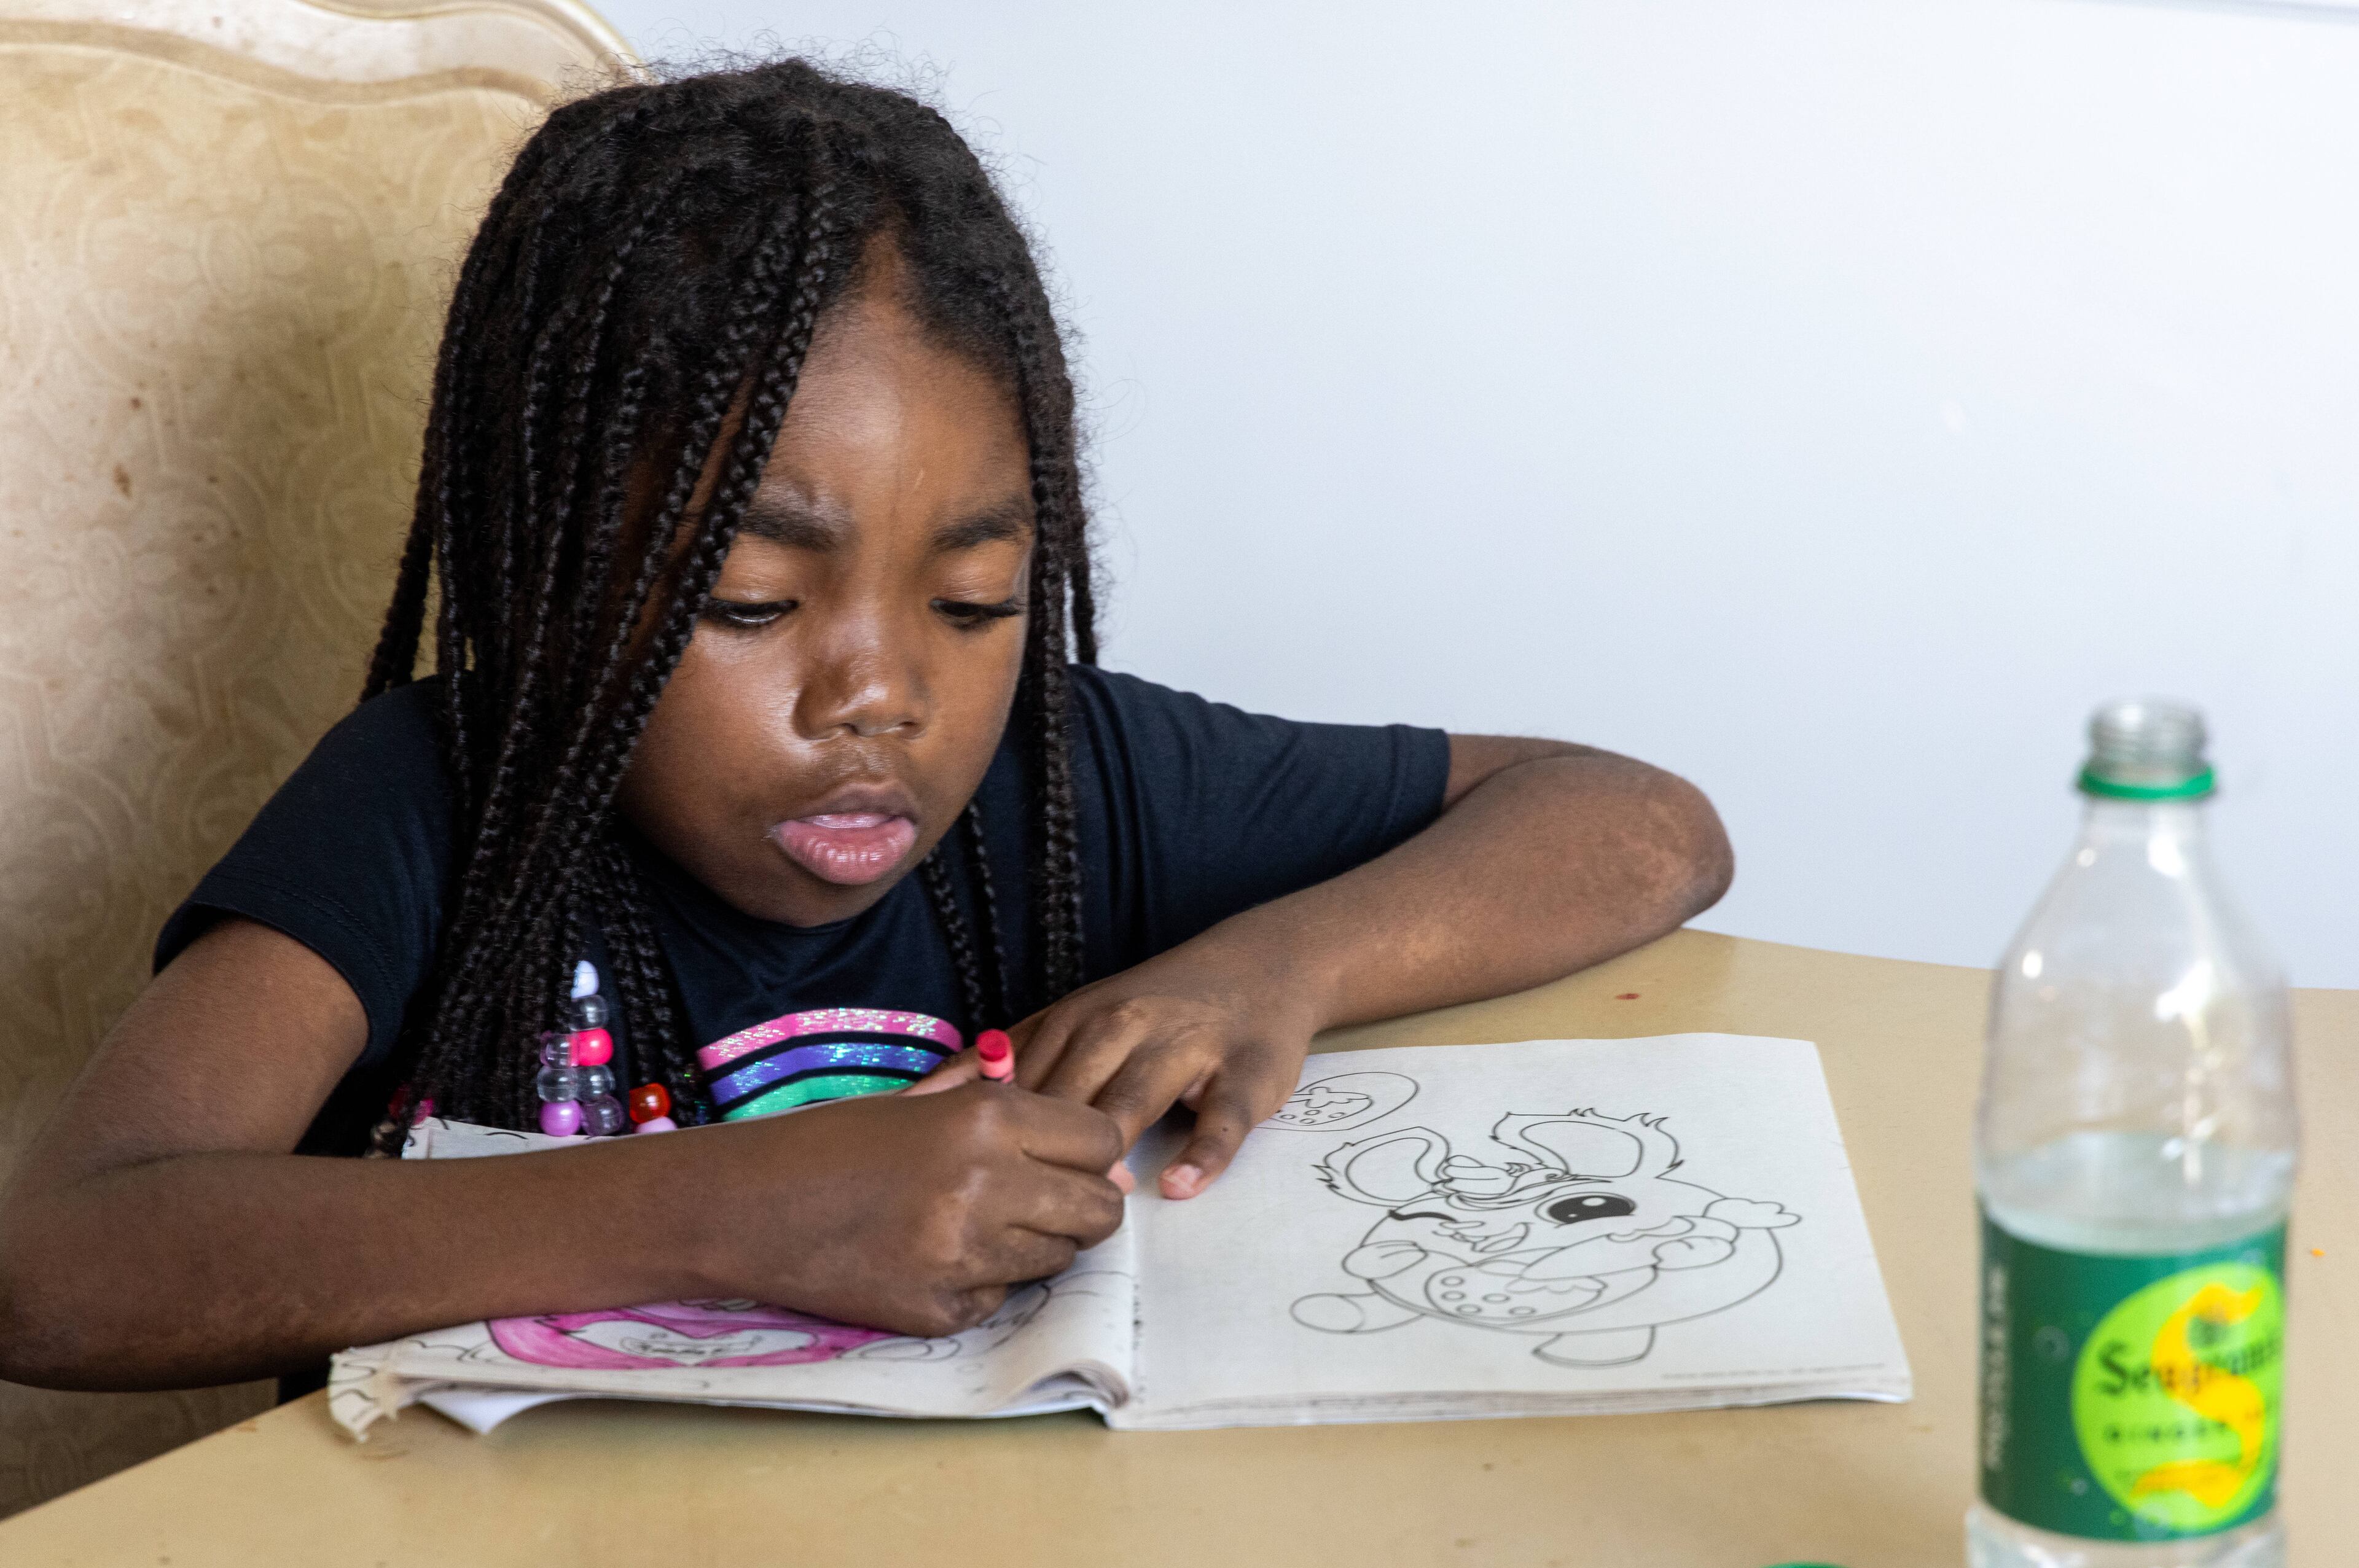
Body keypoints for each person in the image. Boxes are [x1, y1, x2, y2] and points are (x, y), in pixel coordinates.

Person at [0, 61, 1731, 1394]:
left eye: (974, 603)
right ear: (544, 590)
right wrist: (741, 1208)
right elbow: (57, 1264)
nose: (883, 692)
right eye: (753, 605)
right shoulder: (434, 801)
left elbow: (1639, 822)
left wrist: (1272, 971)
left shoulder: (1066, 776)